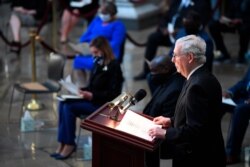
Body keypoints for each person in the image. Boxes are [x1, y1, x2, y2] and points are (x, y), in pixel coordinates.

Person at [148, 35, 226, 167]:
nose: (173, 60)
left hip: (200, 158)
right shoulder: (197, 76)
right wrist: (171, 121)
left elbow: (195, 130)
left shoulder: (197, 86)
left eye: (175, 55)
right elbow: (197, 117)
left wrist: (165, 133)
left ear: (189, 57)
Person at [50, 36, 124, 160]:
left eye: (95, 52)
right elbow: (92, 86)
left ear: (104, 50)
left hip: (104, 105)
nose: (93, 55)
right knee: (63, 103)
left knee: (69, 107)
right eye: (92, 53)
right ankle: (62, 142)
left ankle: (69, 144)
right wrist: (82, 91)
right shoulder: (97, 64)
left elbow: (114, 94)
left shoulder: (114, 66)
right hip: (93, 100)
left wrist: (93, 95)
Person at [133, 0, 212, 80]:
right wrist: (164, 28)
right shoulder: (177, 1)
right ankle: (147, 70)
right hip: (170, 33)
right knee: (153, 38)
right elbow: (165, 17)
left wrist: (180, 30)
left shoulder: (202, 3)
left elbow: (202, 20)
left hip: (186, 34)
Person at [143, 55, 185, 167]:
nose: (151, 75)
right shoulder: (167, 80)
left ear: (165, 69)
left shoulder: (175, 89)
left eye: (154, 71)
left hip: (164, 145)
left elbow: (169, 121)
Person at [72, 1, 126, 71]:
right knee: (77, 60)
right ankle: (83, 82)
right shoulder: (97, 20)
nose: (102, 15)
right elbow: (86, 35)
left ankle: (93, 81)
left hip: (107, 54)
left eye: (105, 13)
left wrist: (99, 49)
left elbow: (115, 43)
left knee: (93, 63)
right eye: (101, 13)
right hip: (90, 50)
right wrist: (81, 45)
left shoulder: (119, 26)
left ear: (112, 14)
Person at [222, 66, 250, 164]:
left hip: (247, 104)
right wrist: (230, 92)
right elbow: (243, 83)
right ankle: (207, 142)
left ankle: (232, 154)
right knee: (219, 102)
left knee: (240, 110)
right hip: (244, 98)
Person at [208, 0, 250, 65]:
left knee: (244, 30)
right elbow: (230, 12)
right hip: (233, 22)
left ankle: (242, 55)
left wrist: (241, 20)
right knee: (213, 26)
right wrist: (228, 20)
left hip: (245, 22)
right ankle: (223, 53)